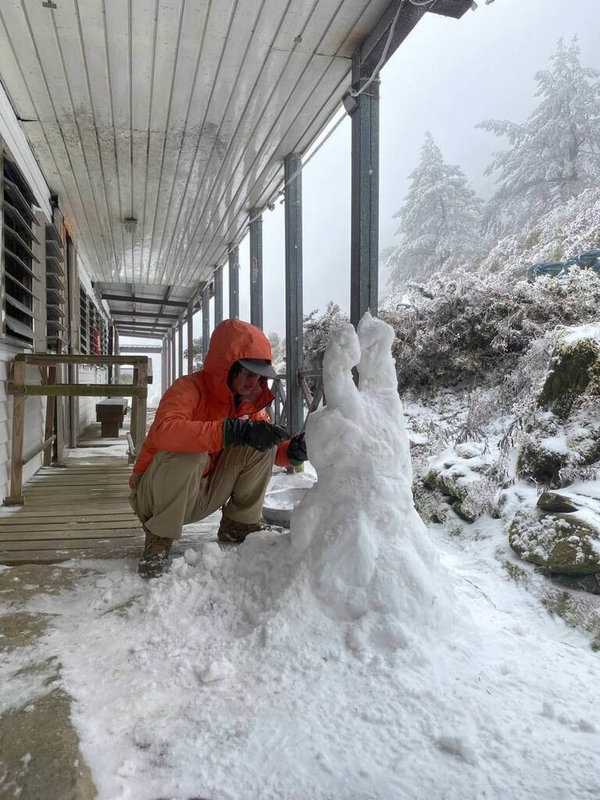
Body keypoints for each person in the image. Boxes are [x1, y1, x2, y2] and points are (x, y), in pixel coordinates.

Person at [129, 318, 307, 578]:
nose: (253, 381)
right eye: (247, 372)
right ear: (227, 368)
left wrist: (292, 452)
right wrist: (229, 431)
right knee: (190, 451)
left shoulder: (246, 404)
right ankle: (158, 538)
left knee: (259, 445)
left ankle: (239, 524)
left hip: (201, 494)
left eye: (258, 375)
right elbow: (165, 433)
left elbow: (268, 452)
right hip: (154, 498)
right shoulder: (188, 389)